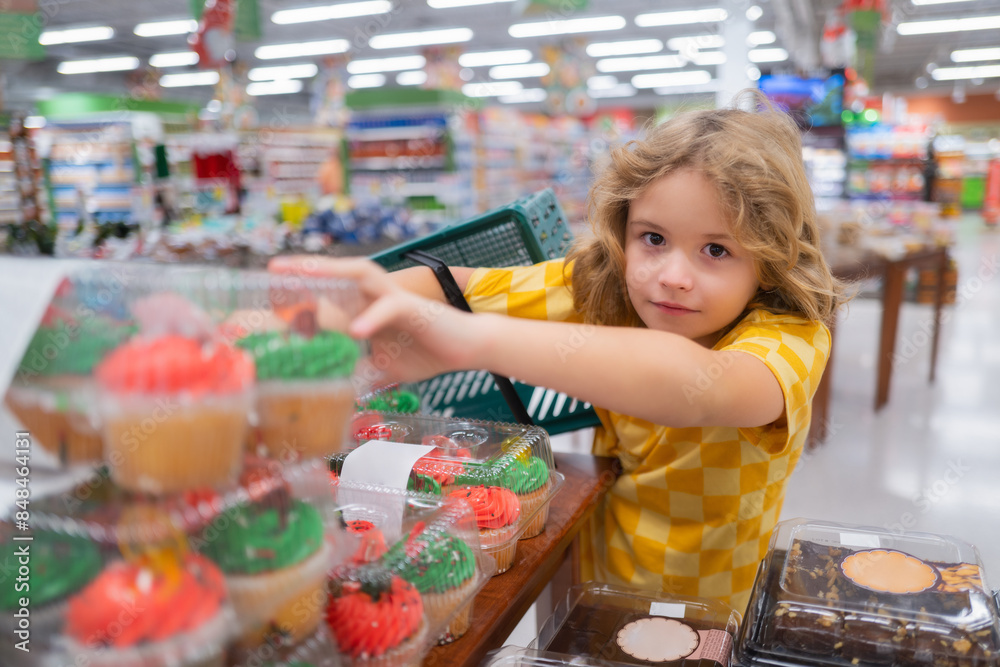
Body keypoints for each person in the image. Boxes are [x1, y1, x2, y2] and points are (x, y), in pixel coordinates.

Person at [270, 90, 844, 614]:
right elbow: (458, 286)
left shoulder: (789, 336)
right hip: (585, 575)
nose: (671, 276)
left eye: (715, 250)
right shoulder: (609, 283)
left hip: (709, 613)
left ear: (770, 259)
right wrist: (332, 309)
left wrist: (473, 341)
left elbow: (702, 387)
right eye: (653, 238)